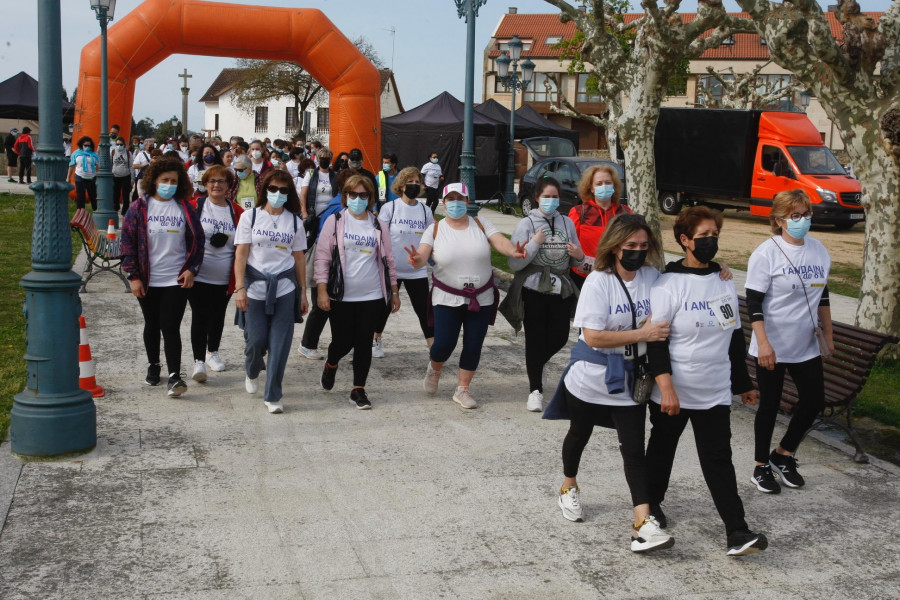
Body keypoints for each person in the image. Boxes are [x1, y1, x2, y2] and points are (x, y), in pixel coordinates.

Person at [539, 213, 673, 553]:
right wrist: (644, 332)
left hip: (630, 379)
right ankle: (569, 485)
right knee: (579, 434)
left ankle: (643, 521)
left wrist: (719, 272)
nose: (638, 252)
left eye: (644, 246)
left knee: (633, 450)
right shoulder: (599, 281)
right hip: (592, 378)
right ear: (614, 246)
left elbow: (681, 288)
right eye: (630, 245)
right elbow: (595, 337)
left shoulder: (653, 277)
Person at [645, 206, 768, 557]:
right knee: (662, 452)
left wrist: (743, 383)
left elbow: (733, 336)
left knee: (718, 459)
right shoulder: (667, 284)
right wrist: (665, 387)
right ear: (684, 240)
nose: (710, 242)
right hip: (674, 391)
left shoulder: (724, 279)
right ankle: (651, 506)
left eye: (715, 235)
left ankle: (737, 531)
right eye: (703, 237)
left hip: (713, 391)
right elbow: (657, 340)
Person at [405, 183, 527, 409]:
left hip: (480, 297)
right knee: (443, 343)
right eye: (450, 199)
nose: (455, 203)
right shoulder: (435, 229)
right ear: (443, 202)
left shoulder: (481, 224)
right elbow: (422, 255)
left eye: (460, 198)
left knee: (473, 344)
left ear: (468, 202)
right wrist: (417, 260)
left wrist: (512, 250)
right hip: (446, 296)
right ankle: (435, 368)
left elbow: (499, 240)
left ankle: (462, 389)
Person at [746, 189, 833, 493]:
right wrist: (764, 343)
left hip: (805, 343)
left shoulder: (819, 250)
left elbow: (822, 294)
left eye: (806, 214)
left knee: (814, 400)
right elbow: (754, 302)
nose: (802, 220)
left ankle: (783, 455)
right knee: (769, 405)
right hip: (771, 343)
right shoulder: (766, 253)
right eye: (795, 215)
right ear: (779, 220)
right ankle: (759, 467)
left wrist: (828, 335)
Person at [314, 174, 400, 409]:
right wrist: (322, 290)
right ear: (346, 196)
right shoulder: (336, 220)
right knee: (341, 342)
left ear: (370, 198)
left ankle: (358, 390)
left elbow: (388, 260)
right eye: (353, 195)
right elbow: (322, 258)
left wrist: (394, 291)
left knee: (363, 342)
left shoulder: (378, 224)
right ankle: (332, 363)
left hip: (372, 295)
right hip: (341, 294)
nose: (358, 199)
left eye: (363, 195)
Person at [500, 177, 585, 412]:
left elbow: (578, 258)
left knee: (560, 336)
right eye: (546, 197)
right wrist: (534, 243)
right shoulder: (526, 224)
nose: (551, 201)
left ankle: (537, 364)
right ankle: (535, 390)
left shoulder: (567, 222)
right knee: (534, 340)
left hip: (560, 288)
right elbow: (514, 263)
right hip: (533, 289)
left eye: (555, 196)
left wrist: (578, 255)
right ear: (537, 198)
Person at [121, 157, 204, 397]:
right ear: (154, 181)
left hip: (175, 278)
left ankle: (175, 376)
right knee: (152, 323)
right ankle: (153, 364)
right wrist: (133, 276)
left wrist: (192, 269)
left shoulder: (185, 208)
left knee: (170, 325)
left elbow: (198, 242)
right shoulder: (139, 208)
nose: (169, 184)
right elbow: (127, 243)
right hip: (147, 278)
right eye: (165, 180)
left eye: (174, 181)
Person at [233, 169, 309, 414]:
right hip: (255, 287)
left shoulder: (295, 221)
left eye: (283, 190)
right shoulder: (250, 217)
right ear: (265, 189)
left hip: (285, 288)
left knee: (280, 344)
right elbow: (241, 254)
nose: (278, 194)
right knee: (256, 341)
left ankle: (273, 394)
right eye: (273, 189)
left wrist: (303, 292)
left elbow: (298, 258)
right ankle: (253, 369)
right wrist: (240, 287)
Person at [187, 165, 244, 382]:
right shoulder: (195, 207)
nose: (216, 185)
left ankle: (213, 352)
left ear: (229, 186)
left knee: (218, 315)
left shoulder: (237, 212)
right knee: (200, 315)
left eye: (221, 181)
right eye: (212, 181)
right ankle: (198, 361)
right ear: (205, 184)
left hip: (225, 275)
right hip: (198, 273)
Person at [297, 167, 359, 360]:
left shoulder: (339, 205)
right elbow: (327, 243)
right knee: (322, 306)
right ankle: (308, 344)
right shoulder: (336, 210)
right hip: (329, 265)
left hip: (337, 265)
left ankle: (341, 343)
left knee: (334, 307)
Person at [373, 167, 436, 357]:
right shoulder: (389, 208)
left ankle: (433, 347)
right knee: (383, 309)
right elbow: (379, 237)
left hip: (416, 270)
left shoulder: (425, 211)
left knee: (424, 311)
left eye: (417, 182)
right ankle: (376, 339)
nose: (414, 186)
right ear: (401, 185)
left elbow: (432, 238)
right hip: (391, 270)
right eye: (410, 182)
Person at [569, 165, 631, 287]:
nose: (604, 186)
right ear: (591, 188)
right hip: (584, 277)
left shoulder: (626, 212)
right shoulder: (578, 212)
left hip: (616, 276)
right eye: (599, 183)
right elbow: (570, 244)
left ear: (614, 186)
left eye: (608, 182)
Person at [299, 147, 335, 221]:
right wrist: (304, 212)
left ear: (330, 160)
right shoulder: (310, 173)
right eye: (322, 158)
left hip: (331, 213)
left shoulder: (335, 175)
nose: (324, 160)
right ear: (318, 159)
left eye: (327, 158)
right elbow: (303, 194)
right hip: (313, 213)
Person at [68, 135, 99, 209]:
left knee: (93, 197)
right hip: (80, 177)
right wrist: (68, 177)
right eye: (85, 145)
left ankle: (96, 213)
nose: (87, 147)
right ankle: (80, 214)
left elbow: (98, 167)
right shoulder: (76, 153)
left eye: (89, 145)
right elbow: (71, 165)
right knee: (80, 197)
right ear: (81, 145)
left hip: (91, 177)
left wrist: (98, 177)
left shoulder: (94, 155)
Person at [111, 136, 133, 215]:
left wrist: (132, 179)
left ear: (124, 144)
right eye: (117, 144)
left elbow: (131, 166)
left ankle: (125, 211)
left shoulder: (128, 153)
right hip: (115, 176)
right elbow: (111, 164)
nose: (119, 146)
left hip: (126, 176)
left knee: (125, 195)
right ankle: (116, 208)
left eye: (121, 144)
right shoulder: (113, 152)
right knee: (115, 194)